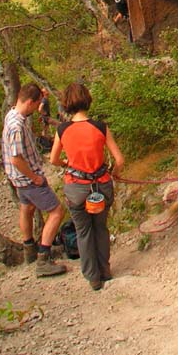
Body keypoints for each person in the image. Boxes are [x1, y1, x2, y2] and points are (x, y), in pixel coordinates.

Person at [50, 83, 124, 291]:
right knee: (100, 227)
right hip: (101, 186)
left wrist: (67, 164)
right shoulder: (100, 127)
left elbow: (54, 159)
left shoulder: (62, 130)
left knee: (83, 231)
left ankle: (93, 277)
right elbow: (119, 159)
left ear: (67, 103)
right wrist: (115, 174)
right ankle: (105, 270)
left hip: (76, 188)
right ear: (87, 100)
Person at [1, 83, 67, 277]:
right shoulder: (16, 126)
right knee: (56, 212)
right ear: (29, 102)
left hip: (18, 179)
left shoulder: (13, 114)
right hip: (27, 178)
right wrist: (35, 178)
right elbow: (16, 158)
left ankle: (29, 247)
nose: (39, 107)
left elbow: (32, 101)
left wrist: (42, 96)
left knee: (27, 208)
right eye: (37, 103)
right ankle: (43, 260)